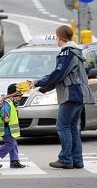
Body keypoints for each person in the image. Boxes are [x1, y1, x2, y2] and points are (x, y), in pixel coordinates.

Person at [34, 25, 96, 169]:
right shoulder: (77, 52)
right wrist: (43, 88)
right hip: (80, 95)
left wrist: (39, 82)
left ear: (60, 37)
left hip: (71, 95)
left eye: (56, 36)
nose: (56, 39)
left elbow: (58, 73)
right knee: (73, 127)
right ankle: (77, 160)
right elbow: (64, 76)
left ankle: (66, 159)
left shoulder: (67, 53)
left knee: (62, 126)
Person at [0, 84, 26, 169]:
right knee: (11, 143)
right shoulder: (6, 102)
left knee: (13, 144)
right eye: (19, 95)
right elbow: (4, 111)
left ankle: (14, 161)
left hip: (9, 129)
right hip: (5, 128)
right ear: (13, 95)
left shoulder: (11, 103)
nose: (21, 97)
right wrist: (5, 117)